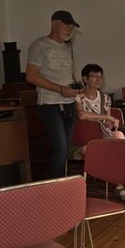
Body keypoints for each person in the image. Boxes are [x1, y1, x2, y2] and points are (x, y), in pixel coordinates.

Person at [74, 63, 125, 202]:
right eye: (94, 76)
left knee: (119, 137)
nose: (98, 79)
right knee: (117, 146)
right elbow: (81, 115)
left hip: (104, 137)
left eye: (101, 76)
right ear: (85, 79)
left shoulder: (105, 98)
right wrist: (106, 117)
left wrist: (111, 123)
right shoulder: (78, 96)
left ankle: (120, 187)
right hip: (86, 141)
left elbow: (107, 121)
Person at [26, 10, 82, 179]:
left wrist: (76, 87)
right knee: (61, 148)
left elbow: (67, 74)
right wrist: (60, 89)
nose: (70, 29)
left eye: (72, 27)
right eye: (67, 25)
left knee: (65, 150)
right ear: (54, 24)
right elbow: (31, 76)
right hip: (50, 105)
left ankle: (60, 186)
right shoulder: (39, 45)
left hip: (69, 104)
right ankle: (54, 191)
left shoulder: (68, 47)